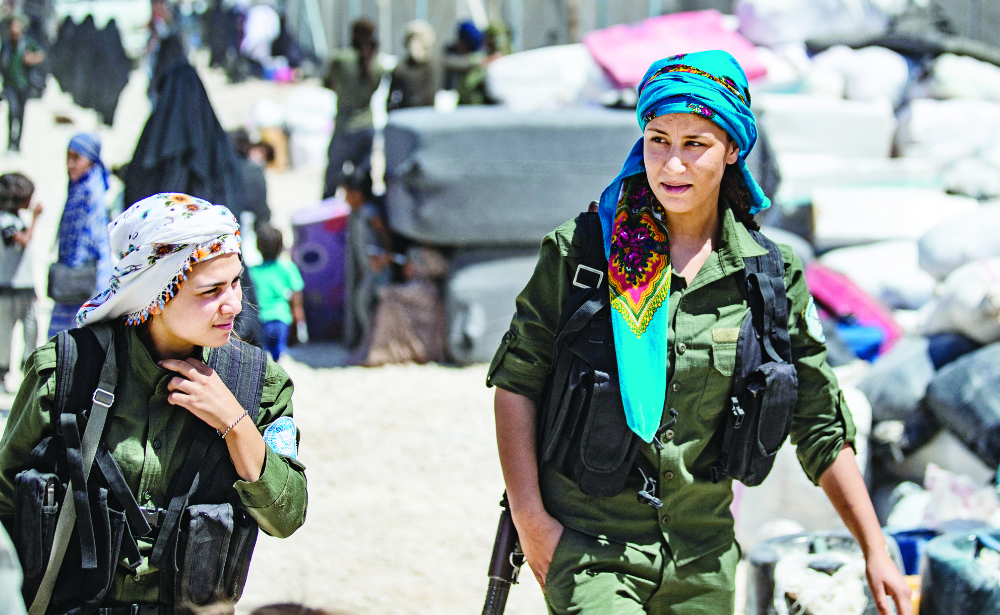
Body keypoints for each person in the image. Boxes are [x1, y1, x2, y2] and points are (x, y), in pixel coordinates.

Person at [487, 51, 912, 615]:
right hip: (593, 555)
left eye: (695, 145)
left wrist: (874, 548)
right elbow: (517, 384)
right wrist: (533, 524)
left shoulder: (769, 274)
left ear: (733, 150)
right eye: (658, 139)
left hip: (702, 564)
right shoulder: (585, 253)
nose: (672, 166)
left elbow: (818, 420)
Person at [0, 192, 307, 609]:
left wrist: (235, 423)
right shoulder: (66, 370)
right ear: (155, 294)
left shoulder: (258, 385)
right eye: (210, 290)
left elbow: (286, 517)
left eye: (235, 281)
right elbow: (5, 500)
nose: (233, 303)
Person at [48, 133, 112, 339]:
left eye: (76, 158)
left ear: (91, 160)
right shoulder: (79, 187)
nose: (69, 164)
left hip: (85, 277)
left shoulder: (90, 191)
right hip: (76, 275)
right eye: (67, 157)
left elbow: (90, 238)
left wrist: (72, 269)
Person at [321, 19, 384, 199]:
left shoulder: (340, 60)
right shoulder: (377, 66)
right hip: (367, 126)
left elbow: (327, 83)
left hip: (345, 126)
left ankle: (327, 217)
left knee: (332, 176)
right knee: (363, 178)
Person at [364, 246, 448, 367]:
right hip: (422, 335)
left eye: (410, 264)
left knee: (389, 310)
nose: (406, 267)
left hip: (425, 340)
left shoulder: (423, 288)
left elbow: (383, 292)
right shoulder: (420, 286)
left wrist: (379, 269)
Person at [342, 169, 391, 350]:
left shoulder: (369, 212)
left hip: (378, 268)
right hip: (368, 269)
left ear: (358, 194)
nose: (346, 198)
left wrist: (386, 252)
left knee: (365, 302)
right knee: (362, 302)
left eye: (347, 194)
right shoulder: (357, 214)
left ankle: (374, 341)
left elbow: (383, 231)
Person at [0, 172, 39, 393]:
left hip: (24, 288)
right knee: (5, 333)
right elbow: (22, 241)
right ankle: (2, 373)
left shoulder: (14, 219)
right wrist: (36, 218)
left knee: (31, 330)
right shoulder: (5, 221)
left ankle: (28, 371)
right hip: (8, 288)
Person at [249, 222, 305, 361]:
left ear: (258, 247)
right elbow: (296, 293)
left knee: (263, 354)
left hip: (260, 319)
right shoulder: (288, 268)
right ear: (281, 247)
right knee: (280, 352)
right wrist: (297, 313)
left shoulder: (253, 272)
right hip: (281, 318)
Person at [0, 17, 44, 152]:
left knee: (20, 115)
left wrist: (31, 58)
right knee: (12, 112)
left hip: (24, 85)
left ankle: (17, 144)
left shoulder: (27, 43)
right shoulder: (6, 46)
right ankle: (10, 142)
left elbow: (41, 54)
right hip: (10, 85)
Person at [387, 20, 439, 111]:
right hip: (408, 117)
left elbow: (465, 64)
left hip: (430, 117)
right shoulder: (400, 69)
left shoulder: (437, 63)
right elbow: (391, 100)